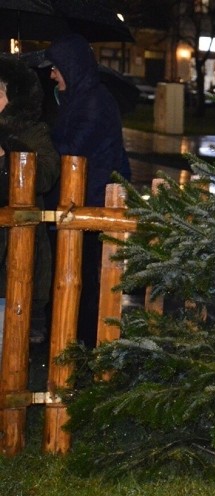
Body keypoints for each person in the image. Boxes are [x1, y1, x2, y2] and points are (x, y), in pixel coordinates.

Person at [44, 33, 131, 347]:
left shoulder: (94, 101)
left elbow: (73, 148)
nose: (52, 74)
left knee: (84, 278)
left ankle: (85, 341)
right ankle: (72, 336)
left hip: (91, 204)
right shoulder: (78, 99)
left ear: (71, 67)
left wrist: (43, 143)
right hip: (76, 201)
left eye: (56, 68)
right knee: (70, 273)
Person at [0, 55, 61, 345]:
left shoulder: (33, 132)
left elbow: (47, 174)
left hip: (13, 267)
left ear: (13, 97)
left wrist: (7, 153)